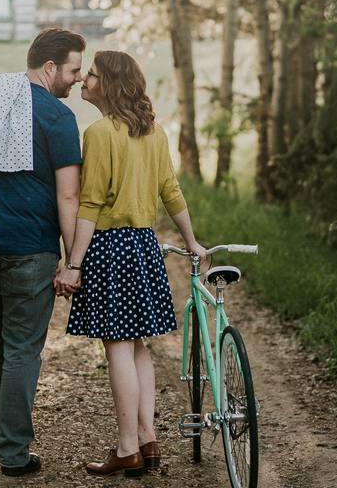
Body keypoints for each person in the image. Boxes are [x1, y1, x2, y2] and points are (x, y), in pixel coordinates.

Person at [55, 50, 207, 477]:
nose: (85, 80)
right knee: (139, 344)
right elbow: (170, 191)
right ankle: (147, 440)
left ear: (111, 84)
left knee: (118, 347)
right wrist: (192, 242)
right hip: (144, 245)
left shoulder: (100, 133)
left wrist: (74, 263)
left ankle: (127, 448)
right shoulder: (153, 132)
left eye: (93, 75)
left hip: (109, 246)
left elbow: (89, 203)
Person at [0, 28, 85, 477]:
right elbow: (68, 197)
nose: (77, 80)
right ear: (50, 68)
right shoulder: (57, 117)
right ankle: (13, 455)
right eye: (73, 70)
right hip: (28, 249)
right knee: (22, 350)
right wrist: (71, 259)